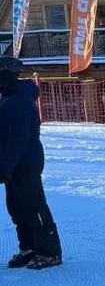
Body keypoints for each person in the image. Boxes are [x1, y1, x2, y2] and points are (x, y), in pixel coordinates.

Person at [0, 56, 62, 270]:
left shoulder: (18, 100)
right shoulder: (8, 98)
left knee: (34, 205)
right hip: (12, 162)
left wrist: (5, 165)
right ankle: (29, 248)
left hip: (25, 161)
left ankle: (49, 252)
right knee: (16, 207)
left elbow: (19, 138)